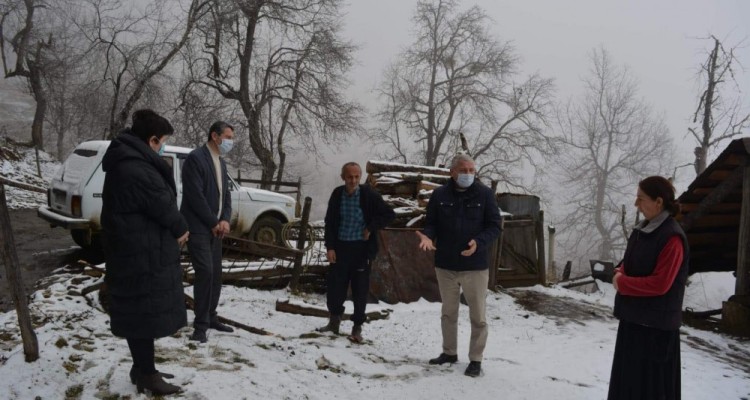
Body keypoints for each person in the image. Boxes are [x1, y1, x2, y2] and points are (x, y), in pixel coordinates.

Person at [101, 109, 189, 396]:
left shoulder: (127, 160)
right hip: (139, 252)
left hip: (133, 248)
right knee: (142, 312)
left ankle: (141, 368)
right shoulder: (135, 167)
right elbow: (161, 204)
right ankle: (148, 375)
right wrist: (181, 228)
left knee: (138, 311)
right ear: (152, 140)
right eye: (163, 141)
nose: (163, 147)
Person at [416, 154, 501, 378]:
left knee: (478, 316)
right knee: (448, 312)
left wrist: (479, 242)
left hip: (475, 266)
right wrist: (427, 236)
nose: (468, 174)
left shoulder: (485, 194)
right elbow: (431, 223)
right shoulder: (439, 194)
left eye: (472, 170)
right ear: (452, 172)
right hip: (446, 265)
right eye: (464, 170)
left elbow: (495, 226)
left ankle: (476, 359)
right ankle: (449, 352)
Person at [608, 176, 689, 400]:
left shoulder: (672, 238)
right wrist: (620, 270)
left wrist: (622, 283)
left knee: (649, 391)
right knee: (628, 388)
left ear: (658, 202)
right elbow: (631, 262)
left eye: (641, 198)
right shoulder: (643, 230)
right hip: (633, 323)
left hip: (656, 333)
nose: (636, 204)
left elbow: (660, 284)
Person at [317, 162, 395, 342]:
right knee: (335, 288)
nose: (353, 180)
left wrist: (370, 228)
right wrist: (330, 247)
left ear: (360, 177)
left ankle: (357, 328)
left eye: (356, 177)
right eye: (349, 177)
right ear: (343, 177)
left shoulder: (369, 195)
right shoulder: (337, 194)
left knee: (360, 290)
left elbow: (389, 214)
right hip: (340, 248)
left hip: (361, 250)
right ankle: (334, 322)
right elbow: (330, 222)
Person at [180, 121, 235, 343]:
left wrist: (225, 220)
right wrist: (213, 221)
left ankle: (211, 316)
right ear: (215, 136)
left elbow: (226, 195)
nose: (230, 142)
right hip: (198, 227)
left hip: (216, 229)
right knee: (205, 272)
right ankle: (200, 326)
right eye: (228, 137)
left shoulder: (220, 162)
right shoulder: (196, 158)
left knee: (216, 275)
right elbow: (195, 196)